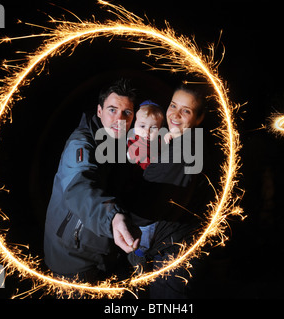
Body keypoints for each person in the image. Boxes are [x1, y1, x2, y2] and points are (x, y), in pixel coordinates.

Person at [43, 78, 142, 283]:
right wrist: (113, 217)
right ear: (99, 111)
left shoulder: (121, 144)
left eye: (127, 113)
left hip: (102, 252)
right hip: (73, 258)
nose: (119, 119)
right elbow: (80, 187)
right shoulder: (81, 143)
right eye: (112, 110)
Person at [128, 83, 214, 298]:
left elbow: (143, 210)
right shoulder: (179, 140)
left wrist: (116, 217)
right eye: (173, 105)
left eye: (186, 110)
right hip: (174, 242)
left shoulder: (182, 149)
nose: (175, 115)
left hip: (176, 250)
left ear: (199, 118)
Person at [126, 100, 165, 259]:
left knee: (151, 226)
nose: (147, 132)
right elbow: (136, 159)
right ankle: (138, 254)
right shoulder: (135, 142)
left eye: (153, 128)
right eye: (142, 126)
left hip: (153, 195)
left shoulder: (159, 142)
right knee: (142, 226)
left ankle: (143, 249)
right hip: (138, 193)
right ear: (135, 125)